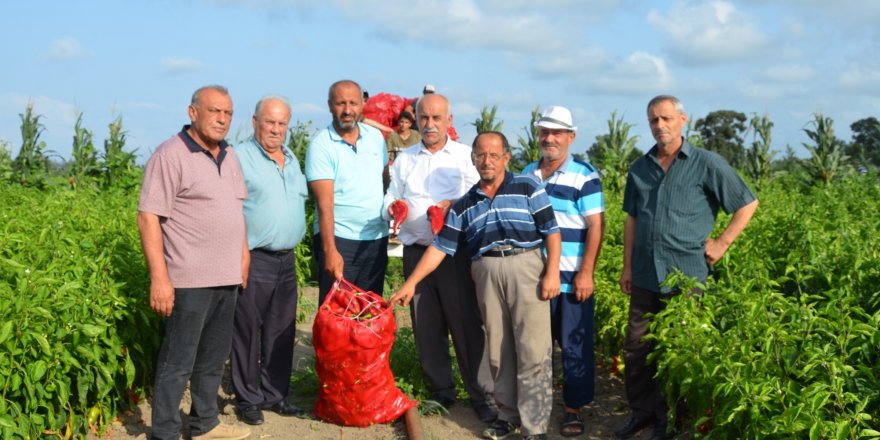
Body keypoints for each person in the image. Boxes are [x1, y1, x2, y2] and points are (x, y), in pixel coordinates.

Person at [391, 131, 562, 440]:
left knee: (533, 348)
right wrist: (411, 283)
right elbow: (440, 248)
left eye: (494, 155)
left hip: (526, 267)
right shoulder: (466, 203)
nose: (487, 161)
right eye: (481, 155)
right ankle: (507, 415)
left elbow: (551, 231)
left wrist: (552, 273)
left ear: (507, 158)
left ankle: (535, 427)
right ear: (473, 160)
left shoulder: (527, 187)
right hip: (485, 271)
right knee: (497, 348)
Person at [615, 95, 758, 440]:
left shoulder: (707, 164)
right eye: (653, 120)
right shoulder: (640, 169)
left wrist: (721, 243)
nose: (659, 126)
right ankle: (644, 414)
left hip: (687, 275)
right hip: (647, 274)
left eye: (666, 118)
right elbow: (632, 220)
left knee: (681, 352)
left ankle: (674, 422)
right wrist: (627, 267)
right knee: (638, 348)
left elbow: (747, 202)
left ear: (682, 120)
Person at [137, 85, 251, 440]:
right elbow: (148, 217)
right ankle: (165, 432)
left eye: (228, 113)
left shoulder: (229, 154)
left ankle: (205, 425)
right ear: (193, 113)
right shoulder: (170, 154)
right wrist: (160, 277)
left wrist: (243, 256)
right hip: (188, 279)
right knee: (178, 361)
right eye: (214, 111)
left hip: (226, 276)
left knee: (212, 359)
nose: (222, 119)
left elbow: (236, 210)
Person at [382, 94, 494, 422]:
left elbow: (481, 197)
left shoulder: (464, 157)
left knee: (466, 324)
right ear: (416, 119)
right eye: (424, 118)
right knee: (426, 325)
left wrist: (452, 205)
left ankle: (481, 394)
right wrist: (391, 207)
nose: (429, 125)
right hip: (417, 251)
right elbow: (391, 194)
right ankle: (441, 391)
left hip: (455, 255)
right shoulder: (405, 159)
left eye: (436, 118)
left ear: (449, 120)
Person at [521, 105, 604, 437]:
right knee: (534, 347)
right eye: (545, 132)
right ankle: (535, 406)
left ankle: (573, 409)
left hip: (571, 278)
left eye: (557, 133)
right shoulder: (526, 173)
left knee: (574, 345)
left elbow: (596, 226)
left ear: (571, 137)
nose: (550, 138)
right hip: (534, 278)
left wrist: (587, 272)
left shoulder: (584, 175)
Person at [230, 96, 308, 425]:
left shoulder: (290, 159)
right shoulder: (239, 157)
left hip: (285, 259)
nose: (276, 129)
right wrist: (240, 255)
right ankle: (248, 398)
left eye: (281, 124)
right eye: (269, 122)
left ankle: (275, 394)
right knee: (247, 331)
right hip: (254, 257)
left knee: (281, 329)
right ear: (255, 122)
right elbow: (230, 212)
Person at [306, 80, 389, 303]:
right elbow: (324, 205)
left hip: (375, 240)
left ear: (363, 104)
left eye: (353, 103)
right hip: (341, 240)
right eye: (341, 103)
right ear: (330, 105)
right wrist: (330, 250)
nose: (348, 110)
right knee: (338, 314)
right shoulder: (322, 146)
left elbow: (386, 184)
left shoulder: (375, 138)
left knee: (369, 311)